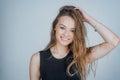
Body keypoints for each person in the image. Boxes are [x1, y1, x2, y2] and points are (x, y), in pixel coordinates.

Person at [29, 5, 120, 80]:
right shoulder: (37, 59)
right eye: (62, 27)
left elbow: (113, 41)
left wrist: (88, 19)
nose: (66, 34)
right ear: (54, 28)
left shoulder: (81, 56)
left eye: (72, 30)